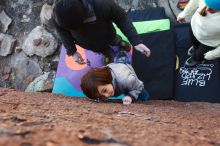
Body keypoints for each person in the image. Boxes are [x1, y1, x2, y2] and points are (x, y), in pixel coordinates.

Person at [52, 0, 151, 64]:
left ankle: (119, 43)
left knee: (113, 39)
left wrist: (136, 41)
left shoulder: (101, 4)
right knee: (101, 49)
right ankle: (107, 53)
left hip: (106, 32)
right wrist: (72, 51)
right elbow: (62, 32)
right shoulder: (57, 15)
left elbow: (122, 18)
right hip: (88, 43)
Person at [80, 63, 149, 105]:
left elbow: (138, 86)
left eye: (104, 90)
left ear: (106, 79)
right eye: (101, 96)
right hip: (115, 69)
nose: (106, 96)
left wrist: (130, 96)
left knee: (143, 96)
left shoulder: (126, 79)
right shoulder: (100, 74)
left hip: (130, 80)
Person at [177, 0, 220, 67]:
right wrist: (184, 13)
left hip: (209, 42)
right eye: (207, 3)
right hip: (194, 28)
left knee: (200, 54)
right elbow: (194, 2)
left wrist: (213, 54)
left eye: (213, 7)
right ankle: (195, 48)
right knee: (194, 43)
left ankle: (196, 59)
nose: (207, 9)